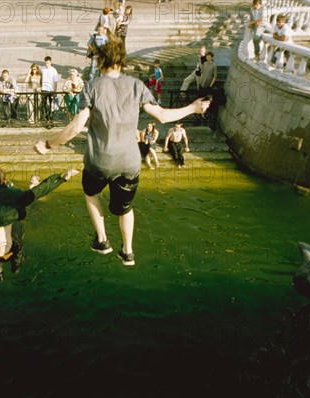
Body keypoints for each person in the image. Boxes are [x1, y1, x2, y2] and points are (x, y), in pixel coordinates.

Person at [34, 35, 209, 266]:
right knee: (125, 208)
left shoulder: (93, 87)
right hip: (129, 163)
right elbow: (164, 116)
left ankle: (102, 240)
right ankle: (127, 252)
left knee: (90, 193)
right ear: (122, 60)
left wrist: (48, 145)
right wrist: (193, 107)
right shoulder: (136, 85)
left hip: (99, 162)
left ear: (101, 60)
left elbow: (76, 127)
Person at [40, 56, 59, 122]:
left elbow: (56, 81)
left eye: (48, 63)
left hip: (51, 89)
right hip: (44, 88)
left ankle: (51, 117)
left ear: (51, 62)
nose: (47, 64)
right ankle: (44, 117)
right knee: (43, 103)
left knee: (52, 104)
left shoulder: (54, 70)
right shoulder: (42, 69)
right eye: (46, 63)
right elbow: (40, 77)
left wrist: (55, 91)